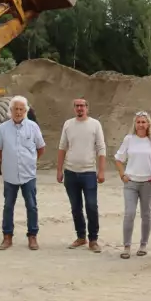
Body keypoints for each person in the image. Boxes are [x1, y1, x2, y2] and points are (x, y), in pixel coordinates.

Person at [0, 95, 45, 251]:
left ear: (26, 111)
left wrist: (30, 160)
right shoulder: (3, 128)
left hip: (28, 175)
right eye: (16, 109)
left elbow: (41, 148)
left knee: (32, 206)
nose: (18, 112)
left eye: (21, 109)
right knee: (8, 206)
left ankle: (32, 237)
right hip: (9, 175)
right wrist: (10, 161)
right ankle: (7, 237)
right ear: (10, 110)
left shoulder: (33, 127)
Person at [114, 111, 151, 259]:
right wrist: (122, 174)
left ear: (148, 124)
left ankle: (143, 244)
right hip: (131, 182)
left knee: (146, 214)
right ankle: (126, 246)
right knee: (129, 213)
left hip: (148, 183)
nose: (141, 125)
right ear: (135, 124)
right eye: (138, 122)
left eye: (144, 122)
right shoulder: (129, 139)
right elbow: (118, 159)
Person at [57, 97, 107, 252]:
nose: (79, 108)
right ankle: (81, 237)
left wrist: (102, 170)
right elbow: (62, 147)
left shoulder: (95, 125)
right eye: (77, 106)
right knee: (76, 207)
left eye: (82, 106)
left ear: (87, 108)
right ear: (74, 108)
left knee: (91, 206)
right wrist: (59, 170)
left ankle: (93, 239)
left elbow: (101, 148)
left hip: (89, 173)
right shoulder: (68, 124)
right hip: (70, 172)